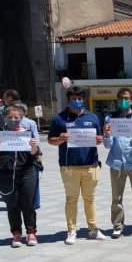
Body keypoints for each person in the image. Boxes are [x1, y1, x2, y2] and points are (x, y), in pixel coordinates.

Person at [48, 86, 106, 244]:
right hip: (69, 166)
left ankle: (93, 229)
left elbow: (99, 137)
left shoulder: (93, 118)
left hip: (91, 165)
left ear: (84, 100)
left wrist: (99, 140)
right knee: (71, 199)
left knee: (90, 199)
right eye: (74, 99)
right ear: (68, 100)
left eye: (80, 99)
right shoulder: (59, 118)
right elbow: (50, 140)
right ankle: (71, 231)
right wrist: (60, 139)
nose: (77, 101)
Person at [0, 105, 40, 247]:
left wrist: (34, 147)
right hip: (7, 175)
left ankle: (31, 232)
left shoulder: (27, 133)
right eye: (10, 117)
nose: (13, 120)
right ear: (5, 117)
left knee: (28, 203)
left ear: (22, 119)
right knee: (12, 205)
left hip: (27, 172)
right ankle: (16, 234)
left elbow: (35, 153)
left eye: (17, 118)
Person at [103, 88, 132, 238]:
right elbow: (107, 145)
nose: (123, 101)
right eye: (120, 98)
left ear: (131, 101)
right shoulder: (110, 119)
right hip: (117, 162)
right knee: (116, 198)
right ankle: (118, 225)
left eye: (126, 98)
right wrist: (107, 134)